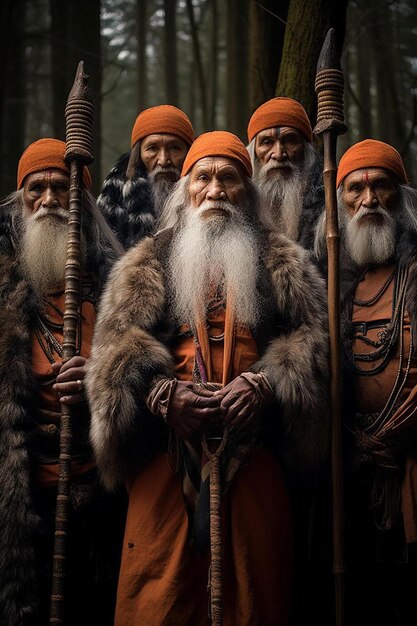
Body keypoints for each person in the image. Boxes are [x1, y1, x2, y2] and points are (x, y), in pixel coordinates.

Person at [87, 130, 330, 626]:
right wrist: (158, 393)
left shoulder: (283, 261)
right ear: (187, 189)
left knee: (256, 597)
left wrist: (267, 382)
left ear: (247, 190)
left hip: (254, 457)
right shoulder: (146, 262)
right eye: (203, 178)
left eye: (228, 179)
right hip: (165, 458)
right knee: (157, 596)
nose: (215, 190)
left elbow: (316, 343)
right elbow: (112, 350)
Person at [0, 138, 125, 626]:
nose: (50, 199)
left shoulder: (114, 285)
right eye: (38, 189)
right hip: (21, 501)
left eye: (62, 189)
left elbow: (146, 377)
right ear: (21, 200)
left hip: (98, 496)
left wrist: (101, 378)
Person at [314, 138, 417, 626]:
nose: (369, 200)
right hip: (354, 467)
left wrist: (404, 429)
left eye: (381, 187)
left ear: (402, 197)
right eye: (355, 189)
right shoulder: (338, 289)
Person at [98, 104, 194, 248]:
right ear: (139, 155)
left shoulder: (208, 193)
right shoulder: (114, 197)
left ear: (189, 153)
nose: (163, 160)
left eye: (174, 148)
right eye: (152, 148)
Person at [247, 96, 324, 249]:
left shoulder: (328, 206)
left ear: (305, 151)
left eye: (289, 141)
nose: (278, 154)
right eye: (267, 142)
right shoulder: (240, 204)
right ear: (254, 153)